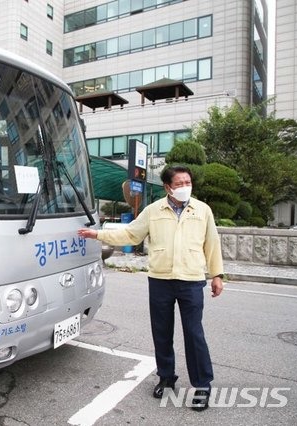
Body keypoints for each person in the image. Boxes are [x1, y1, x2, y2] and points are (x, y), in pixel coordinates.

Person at [78, 165, 224, 411]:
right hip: (160, 280)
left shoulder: (202, 210)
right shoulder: (153, 210)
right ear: (168, 187)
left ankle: (202, 386)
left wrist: (217, 275)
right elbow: (130, 235)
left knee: (194, 333)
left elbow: (212, 243)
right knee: (162, 332)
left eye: (188, 182)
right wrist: (97, 235)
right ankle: (166, 378)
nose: (185, 187)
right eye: (179, 183)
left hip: (191, 280)